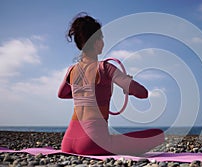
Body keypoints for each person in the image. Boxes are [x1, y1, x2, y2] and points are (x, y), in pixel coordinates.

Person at [58, 13, 165, 155]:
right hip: (92, 144)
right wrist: (128, 86)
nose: (103, 41)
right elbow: (143, 93)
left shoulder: (71, 70)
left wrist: (85, 93)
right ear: (96, 42)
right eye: (101, 38)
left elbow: (62, 94)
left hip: (67, 143)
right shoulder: (105, 68)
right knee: (158, 134)